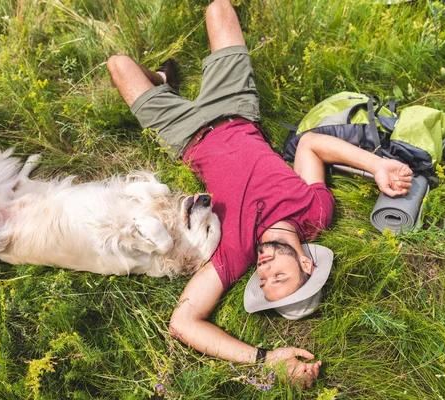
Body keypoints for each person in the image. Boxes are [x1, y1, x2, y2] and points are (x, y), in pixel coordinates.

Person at [106, 0, 413, 387]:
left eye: (263, 281)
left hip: (186, 134)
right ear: (307, 265)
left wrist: (265, 359)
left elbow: (183, 322)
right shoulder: (316, 213)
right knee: (219, 8)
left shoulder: (236, 251)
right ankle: (164, 82)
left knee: (118, 64)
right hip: (235, 109)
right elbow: (312, 146)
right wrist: (377, 165)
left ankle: (162, 85)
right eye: (278, 276)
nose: (264, 272)